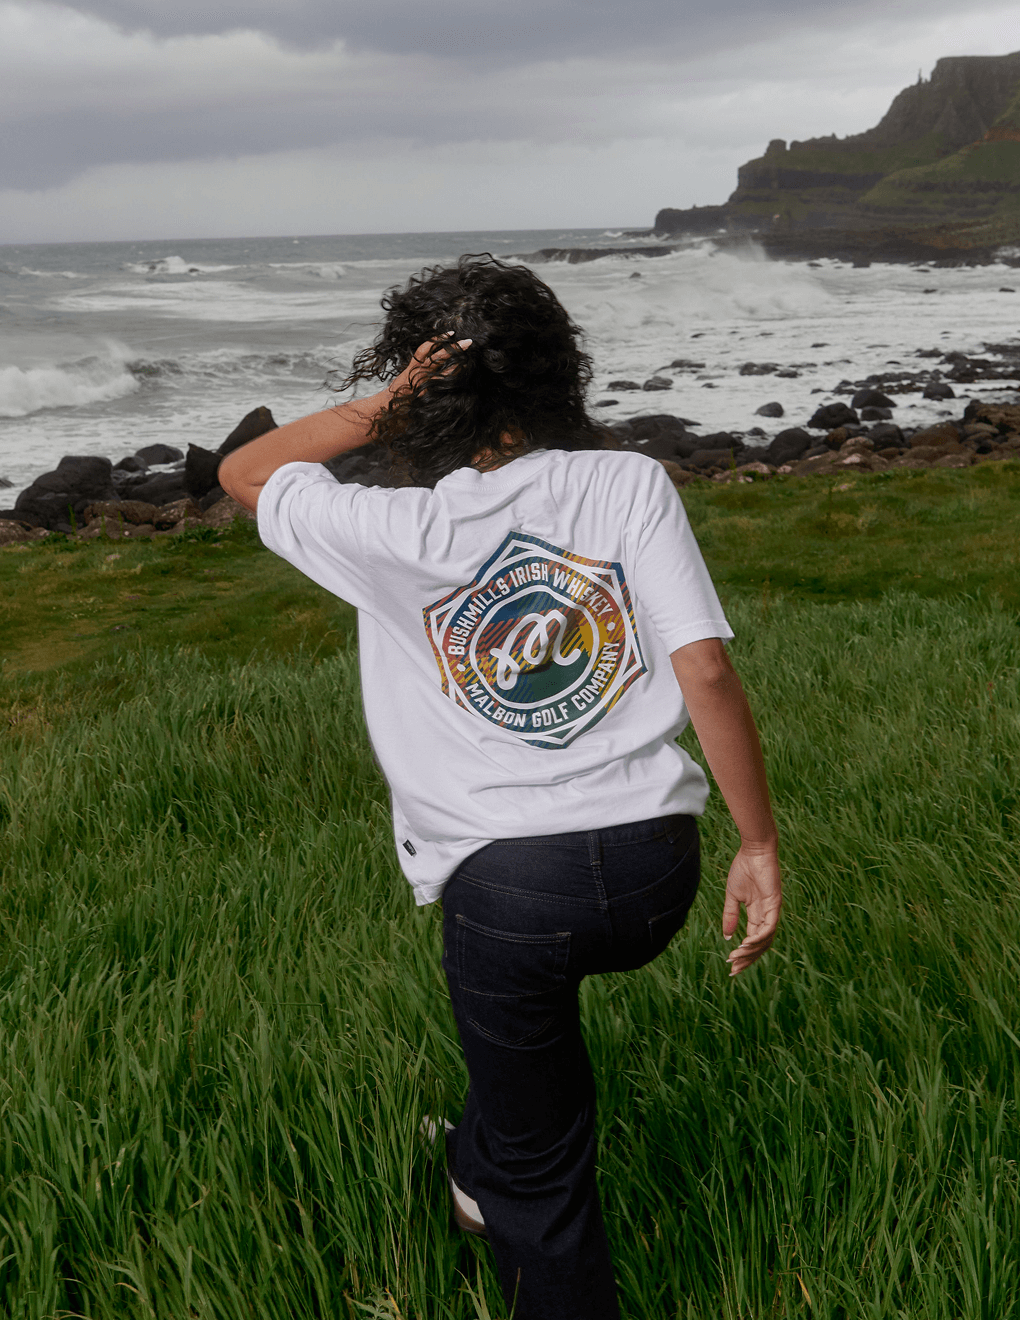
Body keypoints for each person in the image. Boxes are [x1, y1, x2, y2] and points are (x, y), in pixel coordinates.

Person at [219, 255, 781, 1320]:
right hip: (659, 869)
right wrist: (757, 845)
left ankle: (505, 1187)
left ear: (427, 392)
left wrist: (382, 408)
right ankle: (479, 1169)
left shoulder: (392, 529)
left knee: (543, 1164)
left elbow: (247, 473)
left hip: (510, 893)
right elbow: (703, 667)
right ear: (556, 375)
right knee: (521, 1069)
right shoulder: (628, 484)